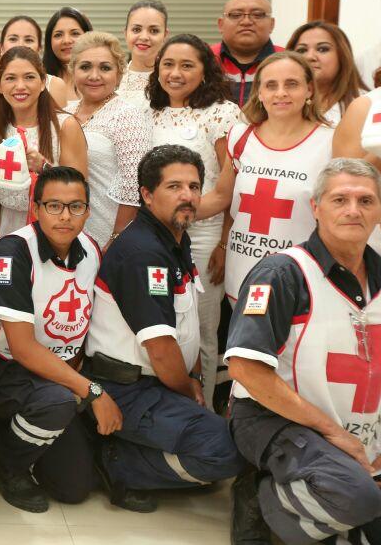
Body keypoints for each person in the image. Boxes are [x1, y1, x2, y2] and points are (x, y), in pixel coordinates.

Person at [226, 158, 381, 545]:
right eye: (340, 199)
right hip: (277, 420)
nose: (353, 210)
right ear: (315, 207)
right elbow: (245, 369)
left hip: (360, 427)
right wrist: (332, 433)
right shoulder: (282, 274)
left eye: (366, 201)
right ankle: (263, 501)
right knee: (358, 498)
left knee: (367, 507)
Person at [84, 145, 243, 512]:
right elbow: (159, 348)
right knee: (225, 450)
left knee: (220, 444)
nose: (187, 196)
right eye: (174, 187)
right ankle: (118, 465)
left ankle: (139, 448)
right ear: (146, 194)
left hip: (154, 384)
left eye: (193, 186)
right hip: (128, 389)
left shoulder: (172, 238)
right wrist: (188, 388)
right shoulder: (144, 253)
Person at [0, 165, 109, 512]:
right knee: (57, 404)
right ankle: (5, 464)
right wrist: (89, 390)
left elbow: (85, 324)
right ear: (36, 210)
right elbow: (21, 348)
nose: (65, 216)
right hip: (7, 369)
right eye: (54, 206)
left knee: (74, 487)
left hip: (59, 373)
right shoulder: (12, 251)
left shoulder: (91, 249)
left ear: (87, 210)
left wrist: (77, 381)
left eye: (76, 206)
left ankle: (23, 428)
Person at [146, 33, 241, 406]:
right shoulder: (149, 111)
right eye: (168, 64)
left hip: (202, 235)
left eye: (187, 65)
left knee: (201, 324)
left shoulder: (220, 112)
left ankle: (204, 406)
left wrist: (222, 243)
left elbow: (226, 189)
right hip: (158, 233)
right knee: (162, 318)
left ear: (205, 71)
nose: (175, 73)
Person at [223, 51, 334, 303]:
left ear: (309, 90)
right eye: (271, 85)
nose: (281, 93)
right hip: (242, 270)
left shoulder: (329, 141)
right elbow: (221, 197)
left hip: (298, 274)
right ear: (259, 93)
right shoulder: (240, 136)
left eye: (291, 84)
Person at [0, 47, 87, 242]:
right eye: (10, 78)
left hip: (54, 237)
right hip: (9, 237)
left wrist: (44, 167)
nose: (20, 86)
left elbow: (79, 190)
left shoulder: (65, 126)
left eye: (29, 77)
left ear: (43, 83)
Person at [67, 31, 152, 247]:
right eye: (85, 67)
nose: (94, 76)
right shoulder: (64, 113)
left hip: (109, 234)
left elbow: (135, 185)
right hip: (66, 229)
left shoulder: (127, 115)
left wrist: (114, 241)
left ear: (119, 74)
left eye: (105, 68)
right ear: (72, 70)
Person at [286, 20, 367, 123]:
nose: (310, 57)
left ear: (342, 56)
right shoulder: (279, 99)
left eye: (322, 49)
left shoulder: (368, 104)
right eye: (302, 50)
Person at [213, 0, 282, 105]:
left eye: (257, 15)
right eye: (235, 15)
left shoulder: (289, 60)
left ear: (272, 24)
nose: (246, 22)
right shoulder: (205, 59)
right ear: (221, 24)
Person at [0, 15, 69, 107]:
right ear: (1, 47)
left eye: (29, 40)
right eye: (13, 39)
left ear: (39, 49)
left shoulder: (54, 85)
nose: (21, 45)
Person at [120, 0, 169, 99]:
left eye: (154, 31)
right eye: (136, 30)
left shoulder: (173, 79)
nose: (144, 37)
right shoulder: (112, 77)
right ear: (125, 33)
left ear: (165, 35)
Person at [43, 7, 93, 105]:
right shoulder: (39, 81)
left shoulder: (100, 79)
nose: (66, 40)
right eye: (58, 35)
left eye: (75, 33)